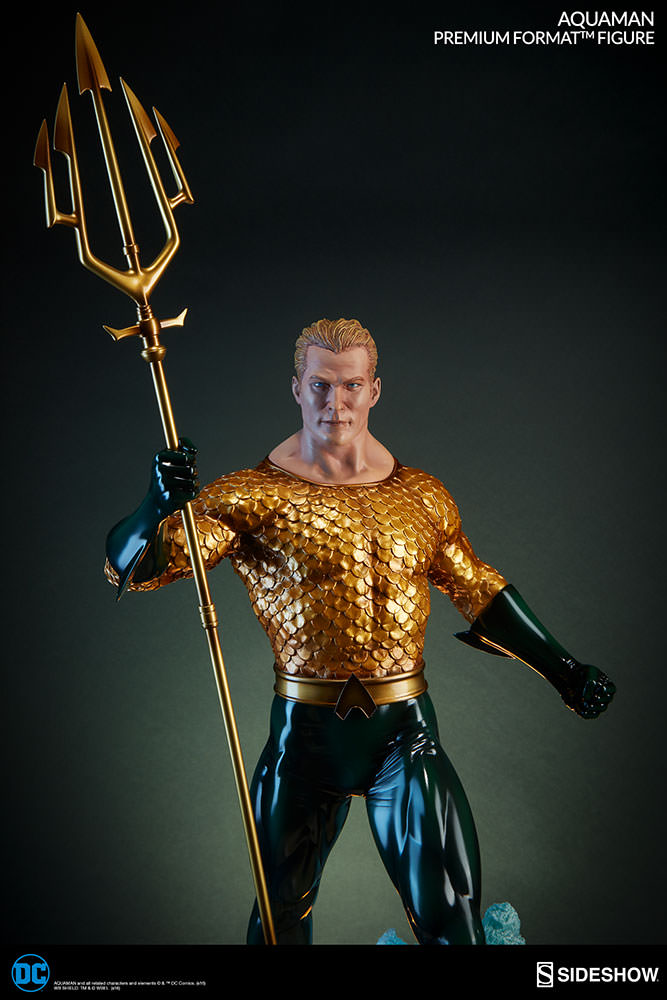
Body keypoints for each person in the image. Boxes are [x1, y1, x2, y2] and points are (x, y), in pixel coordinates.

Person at [105, 317, 615, 945]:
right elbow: (136, 568)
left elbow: (477, 588)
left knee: (453, 919)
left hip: (403, 735)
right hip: (303, 742)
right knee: (279, 923)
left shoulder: (420, 497)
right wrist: (155, 506)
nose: (335, 404)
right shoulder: (252, 497)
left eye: (350, 386)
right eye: (321, 385)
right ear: (297, 388)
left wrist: (565, 671)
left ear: (374, 389)